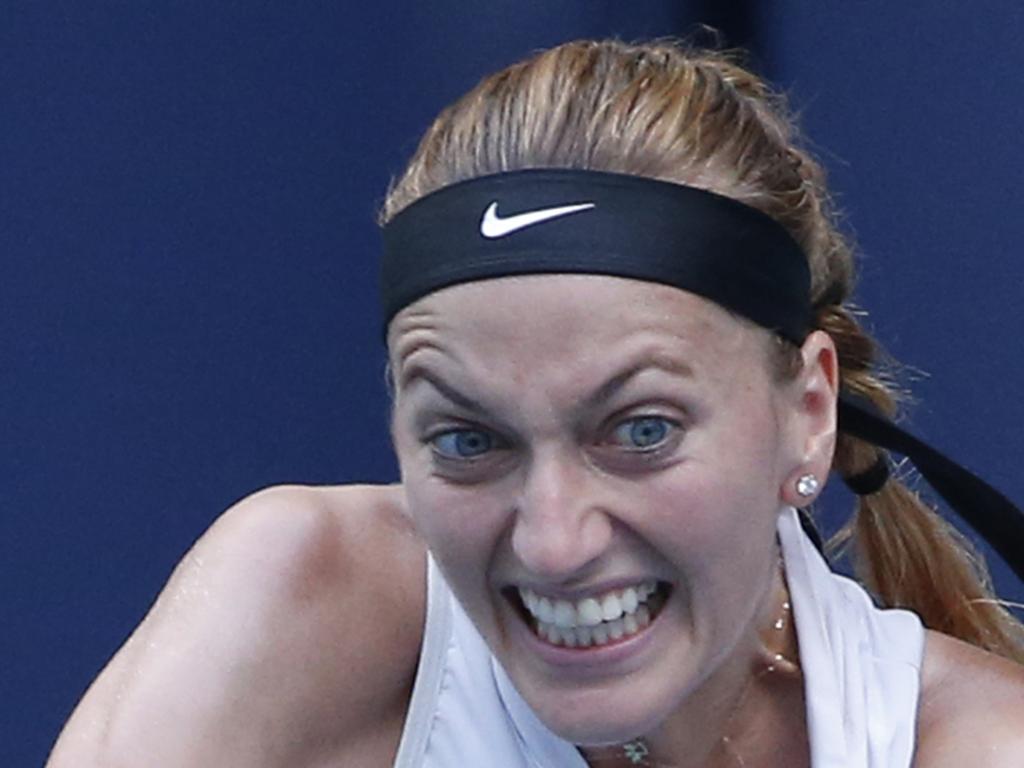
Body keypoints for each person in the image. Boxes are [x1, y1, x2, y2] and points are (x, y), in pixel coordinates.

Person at [48, 39, 1024, 768]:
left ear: (805, 412)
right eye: (469, 439)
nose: (553, 542)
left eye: (641, 431)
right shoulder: (308, 597)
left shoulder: (978, 743)